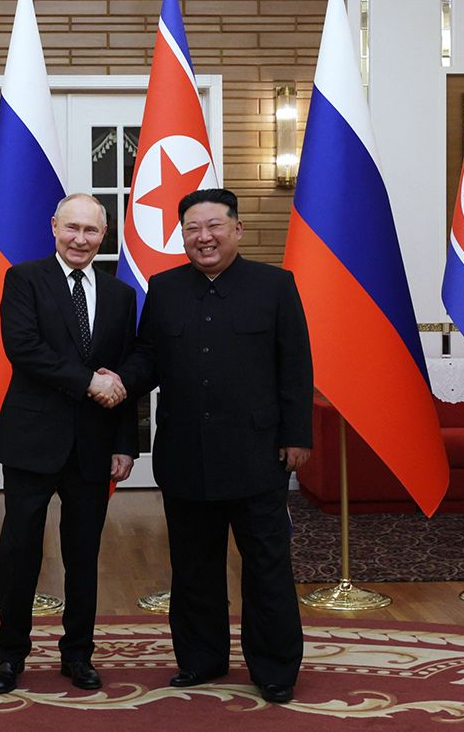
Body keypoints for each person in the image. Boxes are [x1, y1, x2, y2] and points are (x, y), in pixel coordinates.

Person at [114, 188, 312, 704]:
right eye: (192, 229)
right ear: (182, 236)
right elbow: (148, 359)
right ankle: (201, 660)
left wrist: (297, 435)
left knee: (266, 566)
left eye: (214, 226)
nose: (203, 237)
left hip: (258, 454)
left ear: (237, 230)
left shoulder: (275, 285)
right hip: (185, 455)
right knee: (194, 567)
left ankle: (273, 669)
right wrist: (114, 381)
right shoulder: (163, 288)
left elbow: (295, 367)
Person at [0, 193, 137, 695]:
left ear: (104, 234)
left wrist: (125, 442)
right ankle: (11, 655)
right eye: (71, 228)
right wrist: (87, 382)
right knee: (19, 550)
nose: (80, 239)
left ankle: (78, 654)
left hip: (94, 446)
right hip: (33, 440)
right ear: (53, 227)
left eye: (91, 231)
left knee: (84, 553)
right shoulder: (24, 279)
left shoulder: (120, 295)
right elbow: (23, 349)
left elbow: (120, 375)